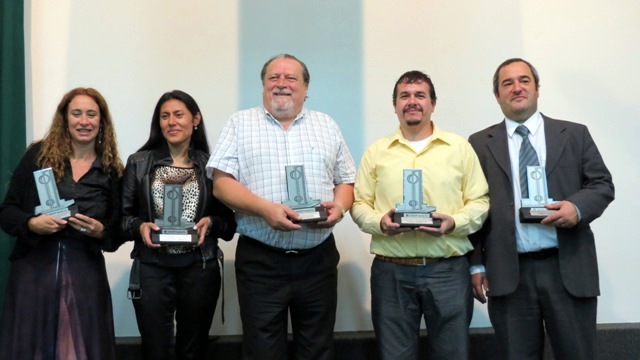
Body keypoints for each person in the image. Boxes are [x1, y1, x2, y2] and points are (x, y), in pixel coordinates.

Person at [207, 53, 356, 360]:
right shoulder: (240, 123)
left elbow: (346, 181)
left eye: (291, 78)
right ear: (263, 85)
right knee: (262, 351)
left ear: (305, 88)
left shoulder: (326, 124)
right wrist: (264, 209)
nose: (282, 84)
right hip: (262, 262)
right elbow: (221, 183)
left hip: (317, 261)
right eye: (273, 78)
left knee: (318, 348)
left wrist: (339, 208)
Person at [468, 58, 615, 360]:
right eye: (507, 83)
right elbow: (473, 205)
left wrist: (576, 208)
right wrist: (476, 263)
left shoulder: (574, 134)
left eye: (524, 80)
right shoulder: (480, 143)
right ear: (497, 95)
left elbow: (601, 184)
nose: (517, 87)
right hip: (509, 274)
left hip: (568, 269)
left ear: (537, 89)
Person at [349, 70, 489, 360]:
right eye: (405, 96)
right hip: (392, 273)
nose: (412, 102)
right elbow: (359, 204)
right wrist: (380, 223)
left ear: (433, 103)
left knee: (453, 354)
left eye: (419, 95)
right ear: (395, 105)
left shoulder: (459, 148)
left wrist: (454, 223)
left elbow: (479, 201)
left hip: (448, 271)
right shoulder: (376, 152)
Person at [0, 87, 124, 359]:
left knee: (79, 349)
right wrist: (32, 223)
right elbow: (7, 212)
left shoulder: (112, 169)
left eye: (91, 114)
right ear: (64, 119)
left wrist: (101, 231)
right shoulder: (38, 156)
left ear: (101, 121)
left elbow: (119, 230)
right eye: (76, 113)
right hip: (33, 270)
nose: (84, 121)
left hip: (85, 272)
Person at [121, 90, 236, 360]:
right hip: (151, 269)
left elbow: (230, 224)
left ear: (195, 119)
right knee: (155, 350)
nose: (171, 121)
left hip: (200, 268)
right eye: (164, 116)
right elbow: (122, 220)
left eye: (178, 114)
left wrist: (212, 222)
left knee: (193, 350)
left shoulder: (213, 166)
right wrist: (140, 227)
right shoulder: (138, 163)